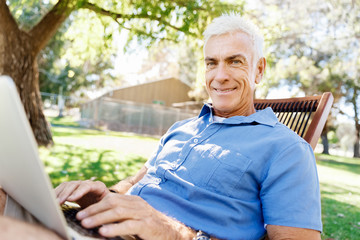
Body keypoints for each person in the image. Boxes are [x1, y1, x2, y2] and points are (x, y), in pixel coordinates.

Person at [0, 13, 322, 240]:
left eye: (234, 61)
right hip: (99, 225)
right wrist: (104, 194)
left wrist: (173, 233)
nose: (219, 75)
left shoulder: (288, 150)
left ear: (259, 70)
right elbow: (135, 181)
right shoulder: (182, 128)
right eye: (211, 62)